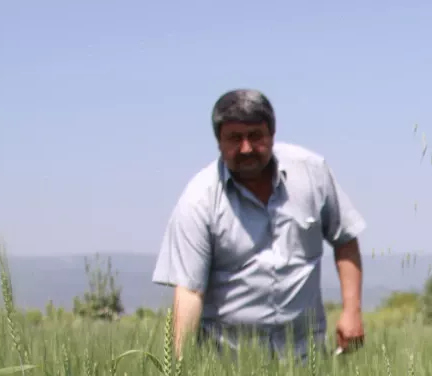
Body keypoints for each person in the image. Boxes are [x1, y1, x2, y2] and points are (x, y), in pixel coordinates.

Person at [152, 89, 367, 359]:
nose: (246, 148)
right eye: (234, 138)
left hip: (304, 357)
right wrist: (179, 367)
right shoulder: (198, 200)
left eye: (255, 136)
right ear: (218, 141)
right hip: (228, 364)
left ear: (272, 135)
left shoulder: (312, 173)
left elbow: (344, 238)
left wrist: (352, 311)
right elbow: (189, 290)